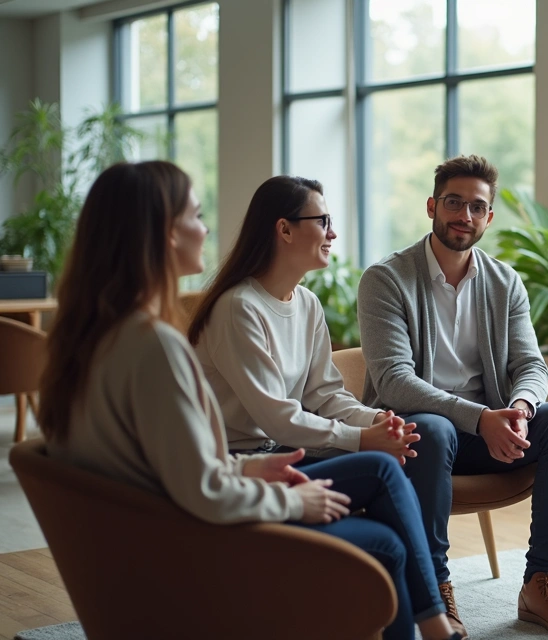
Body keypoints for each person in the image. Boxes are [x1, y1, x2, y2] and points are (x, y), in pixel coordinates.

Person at [39, 161, 457, 640]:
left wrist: (367, 426)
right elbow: (203, 485)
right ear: (164, 234)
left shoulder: (96, 340)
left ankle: (435, 626)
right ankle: (436, 625)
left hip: (164, 524)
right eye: (195, 216)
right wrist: (291, 499)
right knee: (384, 532)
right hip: (189, 540)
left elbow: (165, 466)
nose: (207, 227)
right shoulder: (160, 342)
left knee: (382, 485)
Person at [358, 155, 548, 638]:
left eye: (476, 207)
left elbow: (531, 365)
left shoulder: (504, 282)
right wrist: (481, 416)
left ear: (488, 217)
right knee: (435, 425)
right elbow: (393, 382)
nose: (463, 215)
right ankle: (435, 587)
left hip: (486, 432)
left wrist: (521, 410)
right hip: (419, 434)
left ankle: (540, 579)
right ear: (431, 206)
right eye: (453, 202)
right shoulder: (385, 279)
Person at [188, 176, 412, 464]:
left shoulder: (307, 302)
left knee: (397, 457)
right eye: (323, 222)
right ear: (284, 229)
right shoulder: (238, 307)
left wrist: (377, 420)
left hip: (282, 450)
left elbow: (325, 396)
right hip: (236, 462)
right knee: (379, 467)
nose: (332, 234)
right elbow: (276, 419)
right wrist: (360, 439)